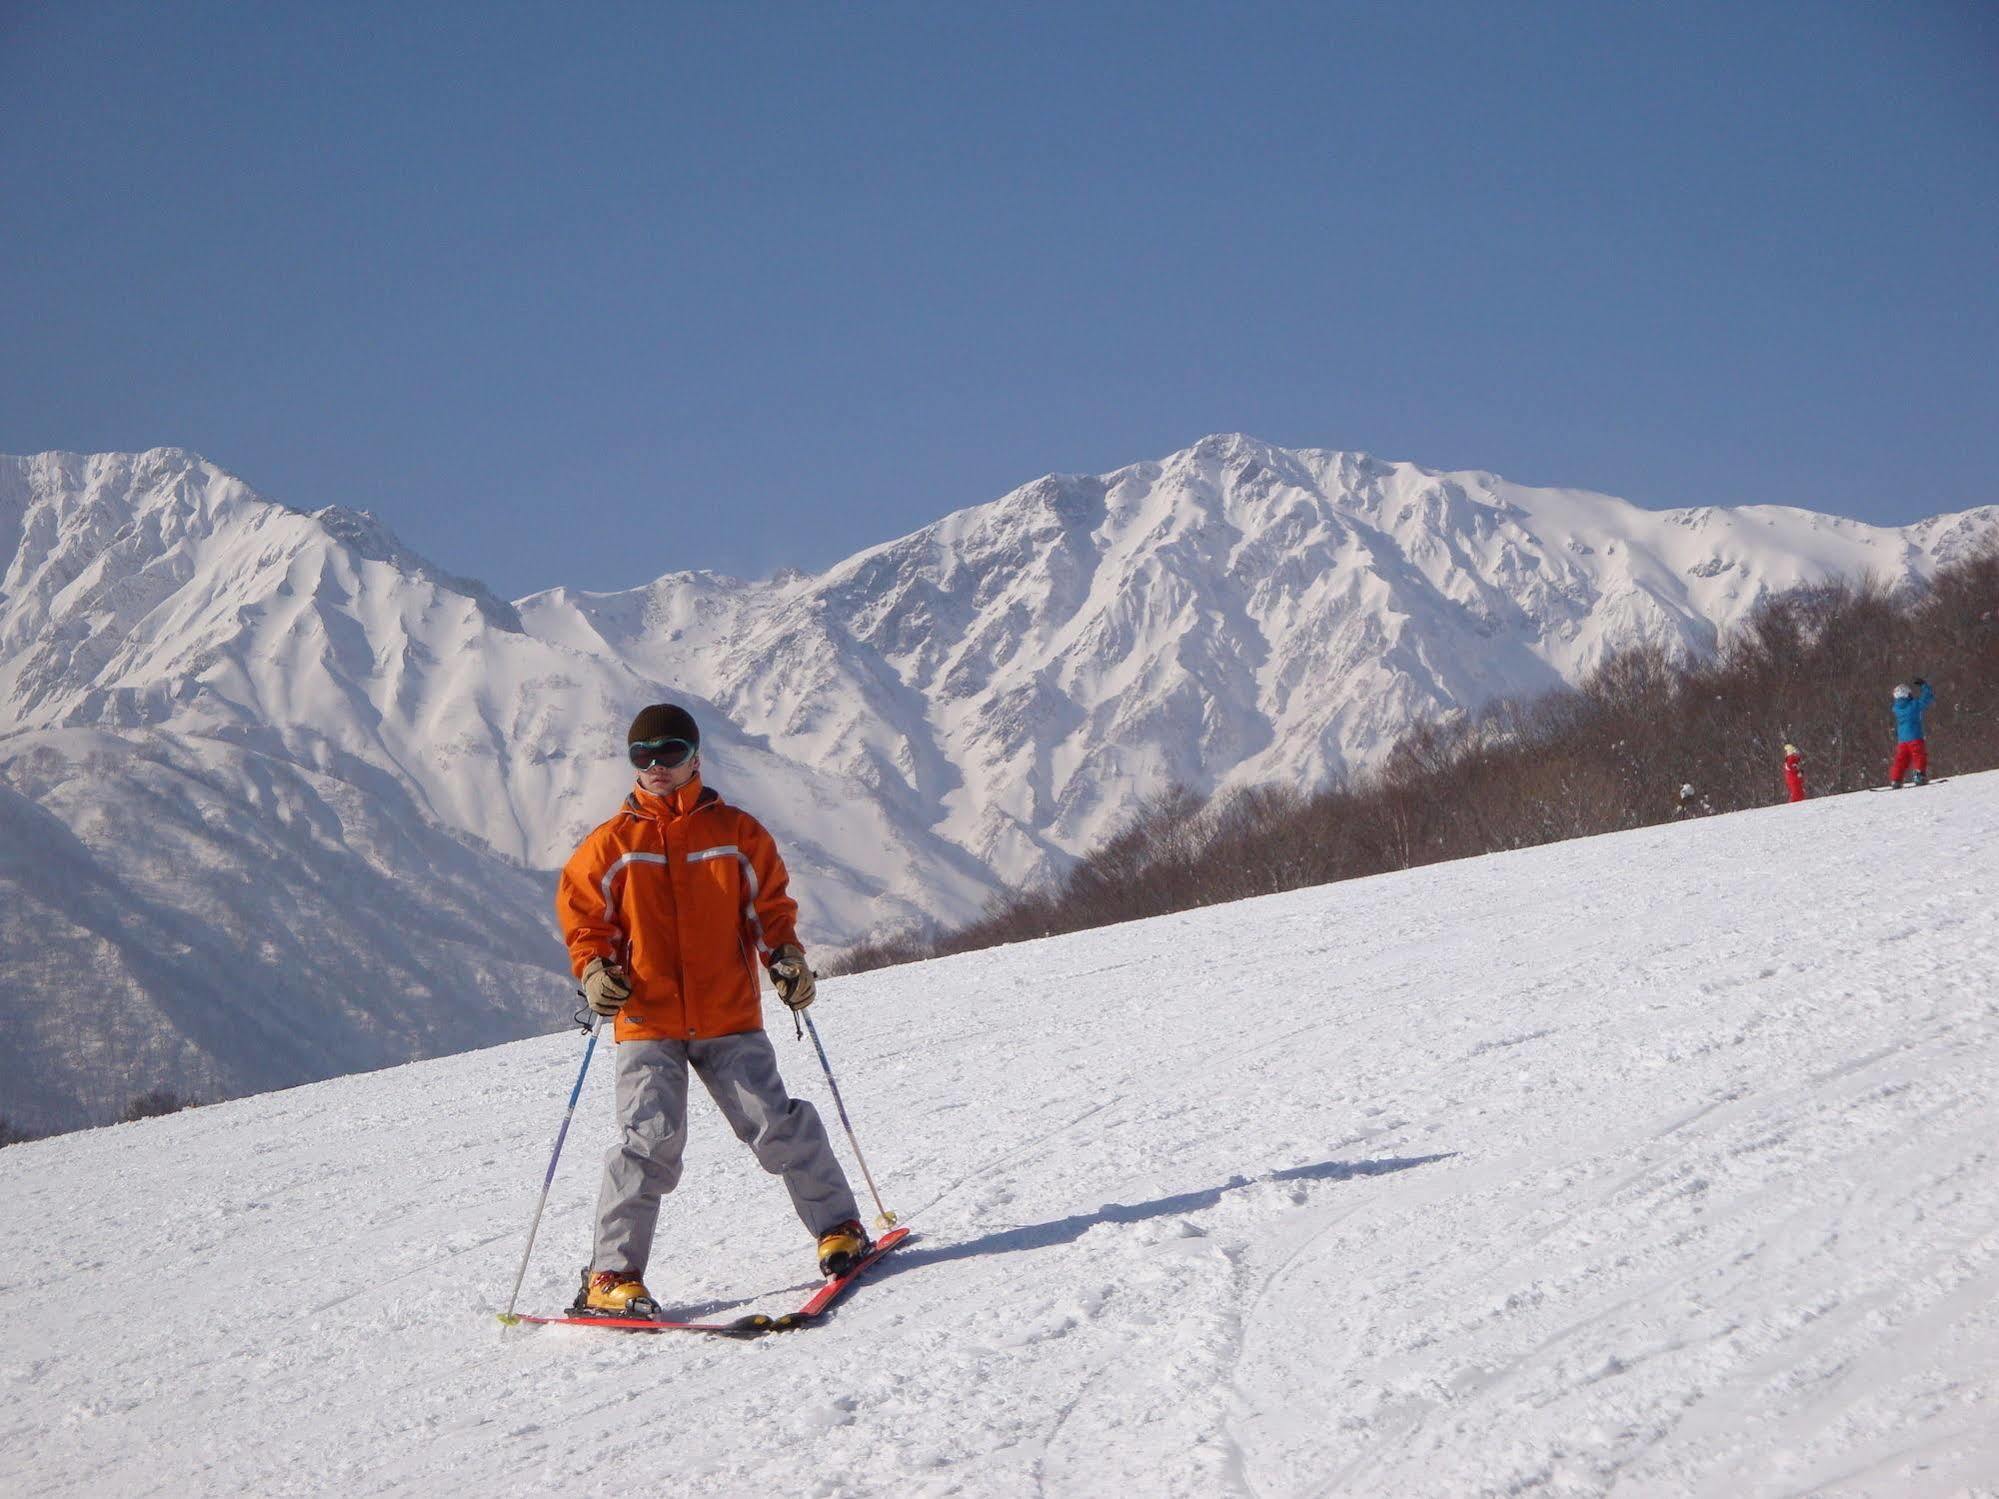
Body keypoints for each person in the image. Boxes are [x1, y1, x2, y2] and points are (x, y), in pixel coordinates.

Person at [555, 703, 868, 1316]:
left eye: (668, 753)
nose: (655, 767)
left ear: (695, 756)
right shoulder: (609, 845)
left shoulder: (737, 834)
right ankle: (612, 1277)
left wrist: (787, 958)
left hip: (727, 1013)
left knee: (774, 1123)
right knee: (649, 1144)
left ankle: (840, 1230)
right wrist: (593, 971)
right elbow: (586, 923)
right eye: (642, 756)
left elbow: (771, 910)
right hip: (646, 1019)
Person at [1888, 679, 1935, 788]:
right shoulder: (1913, 706)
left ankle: (1896, 779)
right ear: (1907, 695)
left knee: (1901, 760)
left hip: (1902, 740)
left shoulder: (1896, 709)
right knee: (1918, 756)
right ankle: (1919, 775)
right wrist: (1925, 686)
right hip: (1915, 737)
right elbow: (1926, 699)